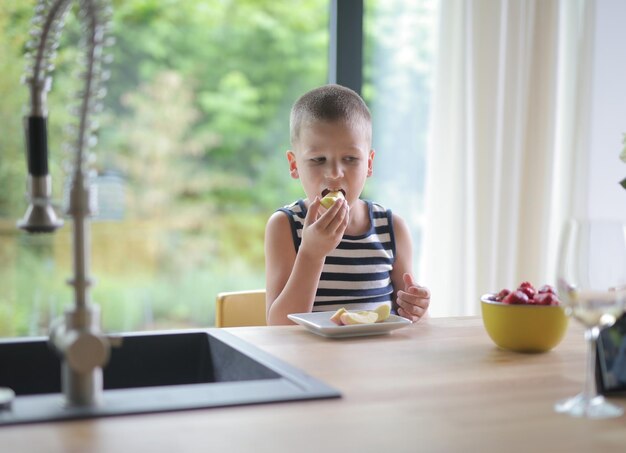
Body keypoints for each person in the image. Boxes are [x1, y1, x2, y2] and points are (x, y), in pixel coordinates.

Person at [265, 84, 430, 325]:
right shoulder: (284, 226)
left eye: (350, 159)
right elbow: (280, 327)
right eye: (318, 159)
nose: (334, 173)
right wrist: (311, 254)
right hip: (307, 361)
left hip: (376, 360)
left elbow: (412, 324)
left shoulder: (392, 228)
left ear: (369, 163)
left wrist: (418, 310)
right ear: (294, 164)